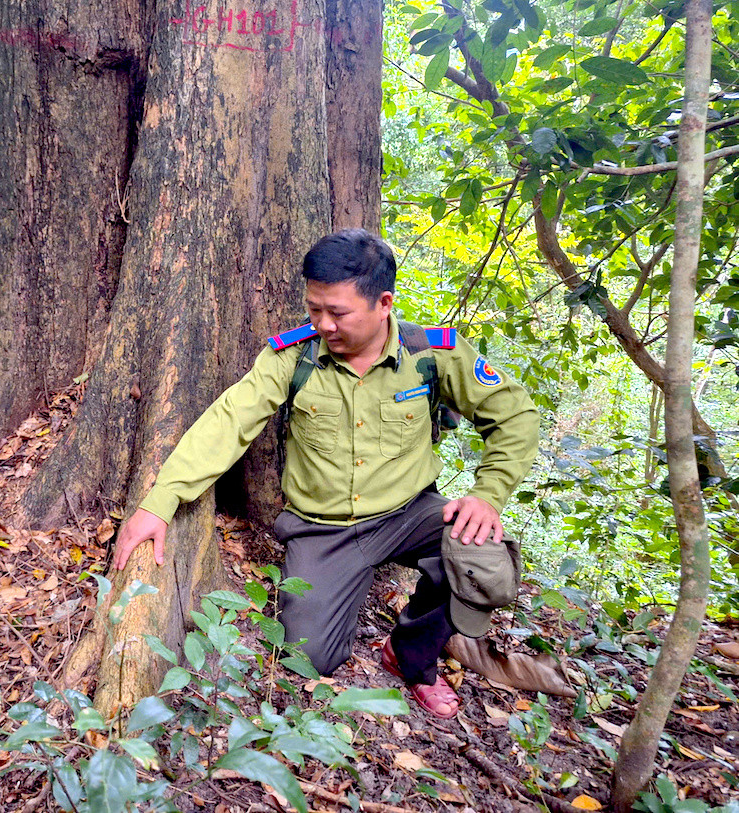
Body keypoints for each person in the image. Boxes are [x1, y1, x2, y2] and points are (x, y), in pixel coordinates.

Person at [112, 229, 539, 718]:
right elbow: (228, 422)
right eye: (314, 309)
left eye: (337, 312)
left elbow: (515, 417)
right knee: (309, 657)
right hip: (323, 529)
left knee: (484, 558)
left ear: (383, 303)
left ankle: (411, 655)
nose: (323, 324)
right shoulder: (293, 355)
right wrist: (160, 502)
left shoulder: (433, 352)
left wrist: (487, 494)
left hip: (408, 513)